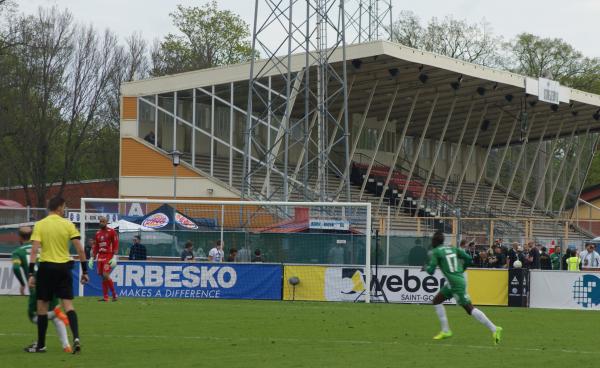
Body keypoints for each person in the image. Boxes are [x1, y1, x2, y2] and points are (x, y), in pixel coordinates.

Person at [25, 196, 89, 354]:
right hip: (63, 269)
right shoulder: (68, 224)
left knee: (42, 307)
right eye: (64, 207)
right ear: (60, 208)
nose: (64, 209)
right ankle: (76, 338)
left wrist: (31, 272)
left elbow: (34, 250)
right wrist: (85, 271)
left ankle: (41, 345)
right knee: (68, 305)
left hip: (46, 268)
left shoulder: (40, 224)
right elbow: (80, 250)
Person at [425, 231, 502, 345]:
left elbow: (431, 271)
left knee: (469, 309)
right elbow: (468, 259)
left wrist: (426, 267)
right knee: (436, 300)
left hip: (456, 284)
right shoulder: (452, 248)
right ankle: (445, 330)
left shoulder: (436, 252)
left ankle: (495, 329)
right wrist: (461, 269)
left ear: (434, 241)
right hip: (454, 282)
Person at [12, 226, 72, 353]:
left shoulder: (18, 252)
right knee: (54, 316)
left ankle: (40, 343)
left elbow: (16, 268)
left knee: (34, 315)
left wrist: (23, 284)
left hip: (37, 288)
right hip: (52, 283)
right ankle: (66, 346)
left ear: (20, 237)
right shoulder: (41, 248)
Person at [90, 216, 119, 302]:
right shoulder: (98, 233)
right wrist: (92, 257)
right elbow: (96, 247)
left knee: (105, 274)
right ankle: (106, 297)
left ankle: (114, 294)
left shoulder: (112, 232)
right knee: (103, 277)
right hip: (100, 256)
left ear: (107, 222)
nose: (101, 223)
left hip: (108, 256)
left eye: (103, 221)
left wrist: (114, 256)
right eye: (100, 221)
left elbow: (116, 244)